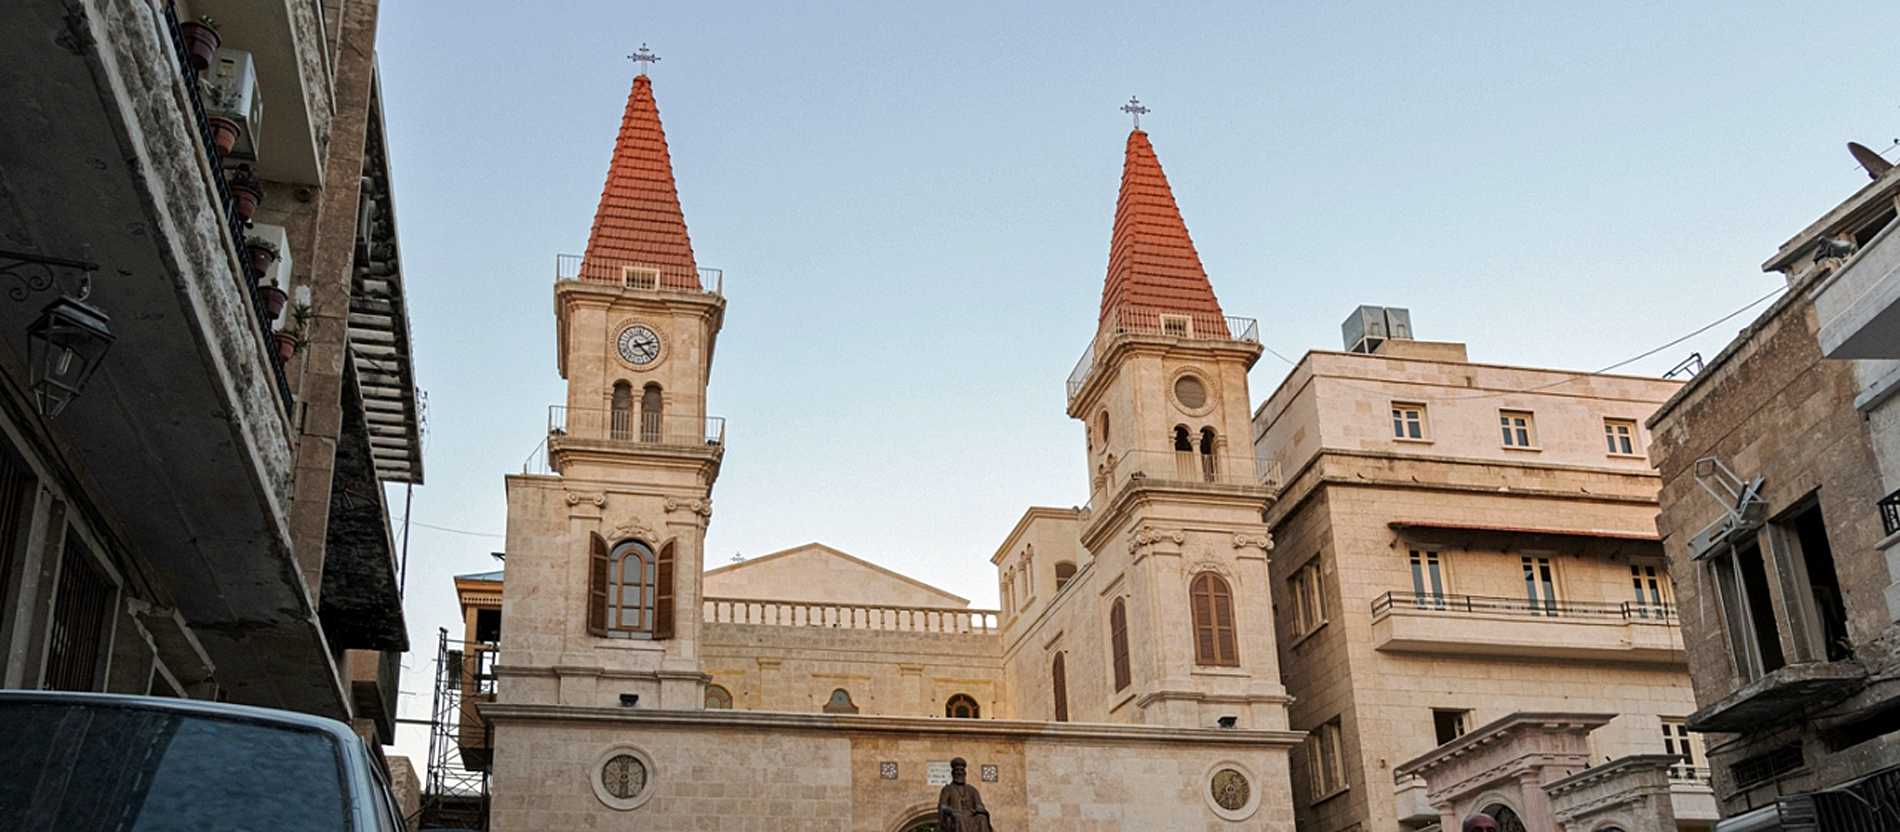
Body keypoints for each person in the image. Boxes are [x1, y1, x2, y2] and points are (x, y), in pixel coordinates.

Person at [937, 757, 993, 832]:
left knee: (981, 817)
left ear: (965, 773)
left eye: (961, 770)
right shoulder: (947, 789)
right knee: (958, 818)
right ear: (953, 773)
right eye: (957, 770)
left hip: (971, 814)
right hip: (955, 814)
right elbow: (942, 804)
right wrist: (949, 810)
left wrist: (978, 808)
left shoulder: (972, 790)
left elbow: (979, 803)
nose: (959, 772)